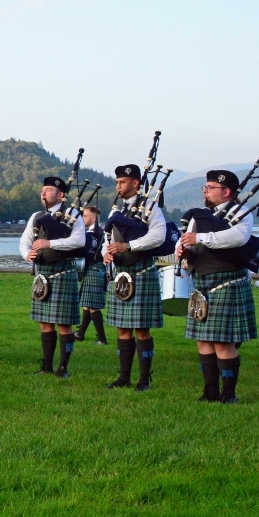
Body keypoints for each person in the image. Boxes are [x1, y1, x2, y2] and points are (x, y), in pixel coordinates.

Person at [176, 170, 257, 404]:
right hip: (201, 281)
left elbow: (237, 238)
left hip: (227, 281)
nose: (205, 191)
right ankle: (209, 391)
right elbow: (186, 241)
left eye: (210, 187)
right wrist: (182, 251)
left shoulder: (241, 212)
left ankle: (229, 394)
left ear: (226, 191)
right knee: (203, 340)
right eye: (205, 187)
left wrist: (200, 238)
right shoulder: (199, 216)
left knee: (223, 341)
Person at [103, 164, 166, 392]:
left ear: (135, 183)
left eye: (122, 182)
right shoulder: (116, 211)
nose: (118, 186)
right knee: (122, 328)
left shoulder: (150, 206)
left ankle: (144, 380)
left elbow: (159, 236)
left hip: (141, 271)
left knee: (141, 329)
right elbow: (107, 239)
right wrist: (106, 253)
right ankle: (123, 377)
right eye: (117, 182)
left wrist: (129, 245)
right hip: (120, 274)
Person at [20, 177, 86, 377]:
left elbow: (79, 240)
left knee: (64, 323)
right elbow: (25, 242)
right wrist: (27, 254)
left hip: (63, 273)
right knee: (44, 322)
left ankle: (63, 368)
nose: (43, 193)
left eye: (48, 189)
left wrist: (50, 244)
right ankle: (46, 366)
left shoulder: (72, 213)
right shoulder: (36, 215)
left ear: (61, 195)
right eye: (42, 189)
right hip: (42, 275)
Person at [75, 206, 108, 344]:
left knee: (92, 306)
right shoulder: (102, 232)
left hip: (94, 269)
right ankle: (80, 333)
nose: (83, 219)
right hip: (97, 270)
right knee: (87, 305)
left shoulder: (91, 235)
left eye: (85, 216)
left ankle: (102, 339)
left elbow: (83, 251)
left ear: (93, 218)